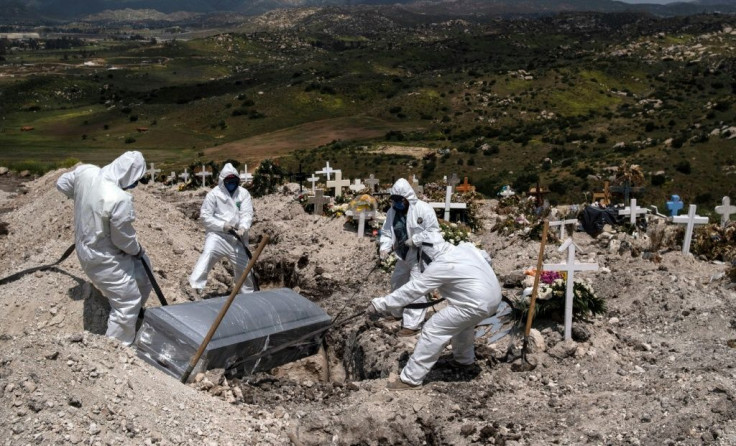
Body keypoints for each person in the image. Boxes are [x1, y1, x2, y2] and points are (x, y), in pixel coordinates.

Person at [367, 240, 502, 391]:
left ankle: (411, 380)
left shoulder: (440, 265)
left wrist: (380, 304)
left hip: (475, 303)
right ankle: (464, 360)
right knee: (463, 324)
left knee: (433, 328)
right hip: (494, 298)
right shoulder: (466, 248)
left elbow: (413, 289)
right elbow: (486, 258)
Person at [56, 151, 152, 346]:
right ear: (130, 175)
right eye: (135, 180)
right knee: (127, 301)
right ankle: (116, 348)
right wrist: (137, 249)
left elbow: (62, 183)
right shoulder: (119, 199)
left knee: (144, 275)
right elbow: (123, 240)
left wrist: (83, 201)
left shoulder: (86, 172)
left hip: (87, 248)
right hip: (104, 258)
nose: (134, 185)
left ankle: (134, 317)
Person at [379, 178, 444, 336]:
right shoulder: (392, 212)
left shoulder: (423, 209)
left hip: (419, 256)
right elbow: (387, 232)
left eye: (399, 200)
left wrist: (415, 240)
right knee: (397, 282)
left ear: (407, 198)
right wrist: (384, 247)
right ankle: (397, 313)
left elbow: (434, 232)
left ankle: (411, 325)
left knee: (416, 288)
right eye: (393, 200)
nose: (396, 204)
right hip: (403, 256)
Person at [189, 163, 255, 295]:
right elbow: (205, 216)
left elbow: (247, 213)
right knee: (207, 255)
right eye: (229, 181)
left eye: (234, 181)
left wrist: (243, 226)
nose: (232, 184)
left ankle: (248, 296)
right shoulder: (213, 195)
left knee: (246, 270)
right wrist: (222, 225)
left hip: (237, 238)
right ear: (223, 181)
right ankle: (195, 288)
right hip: (218, 236)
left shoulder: (243, 193)